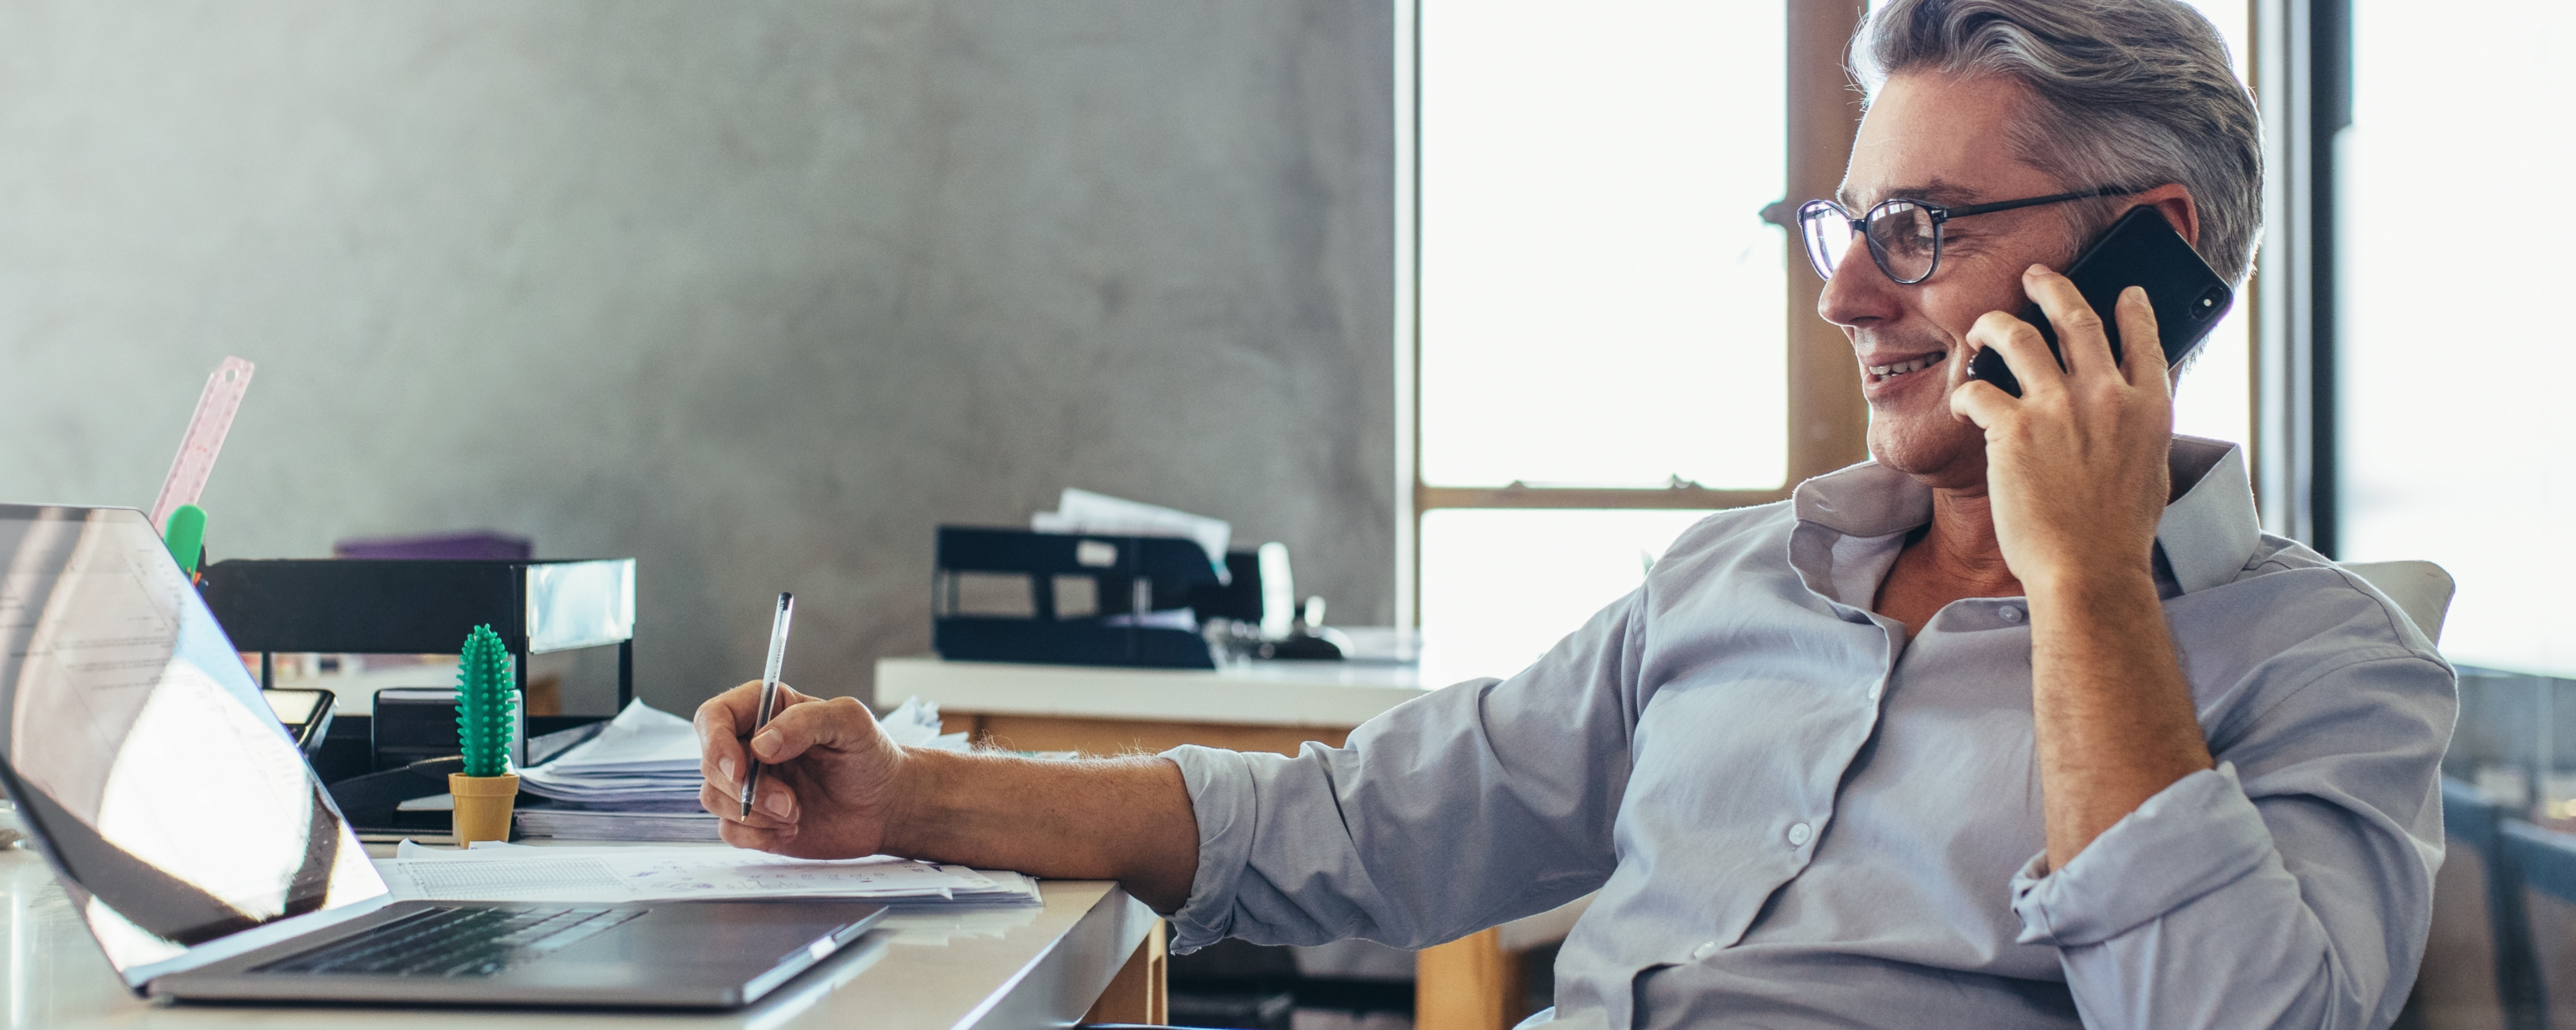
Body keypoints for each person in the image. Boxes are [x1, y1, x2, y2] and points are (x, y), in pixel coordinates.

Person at [697, 0, 2452, 1025]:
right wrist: (907, 792)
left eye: (1921, 230)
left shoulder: (2324, 664)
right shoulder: (1746, 578)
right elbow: (1343, 828)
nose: (1846, 301)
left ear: (2152, 253)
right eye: (1840, 230)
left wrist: (2087, 589)